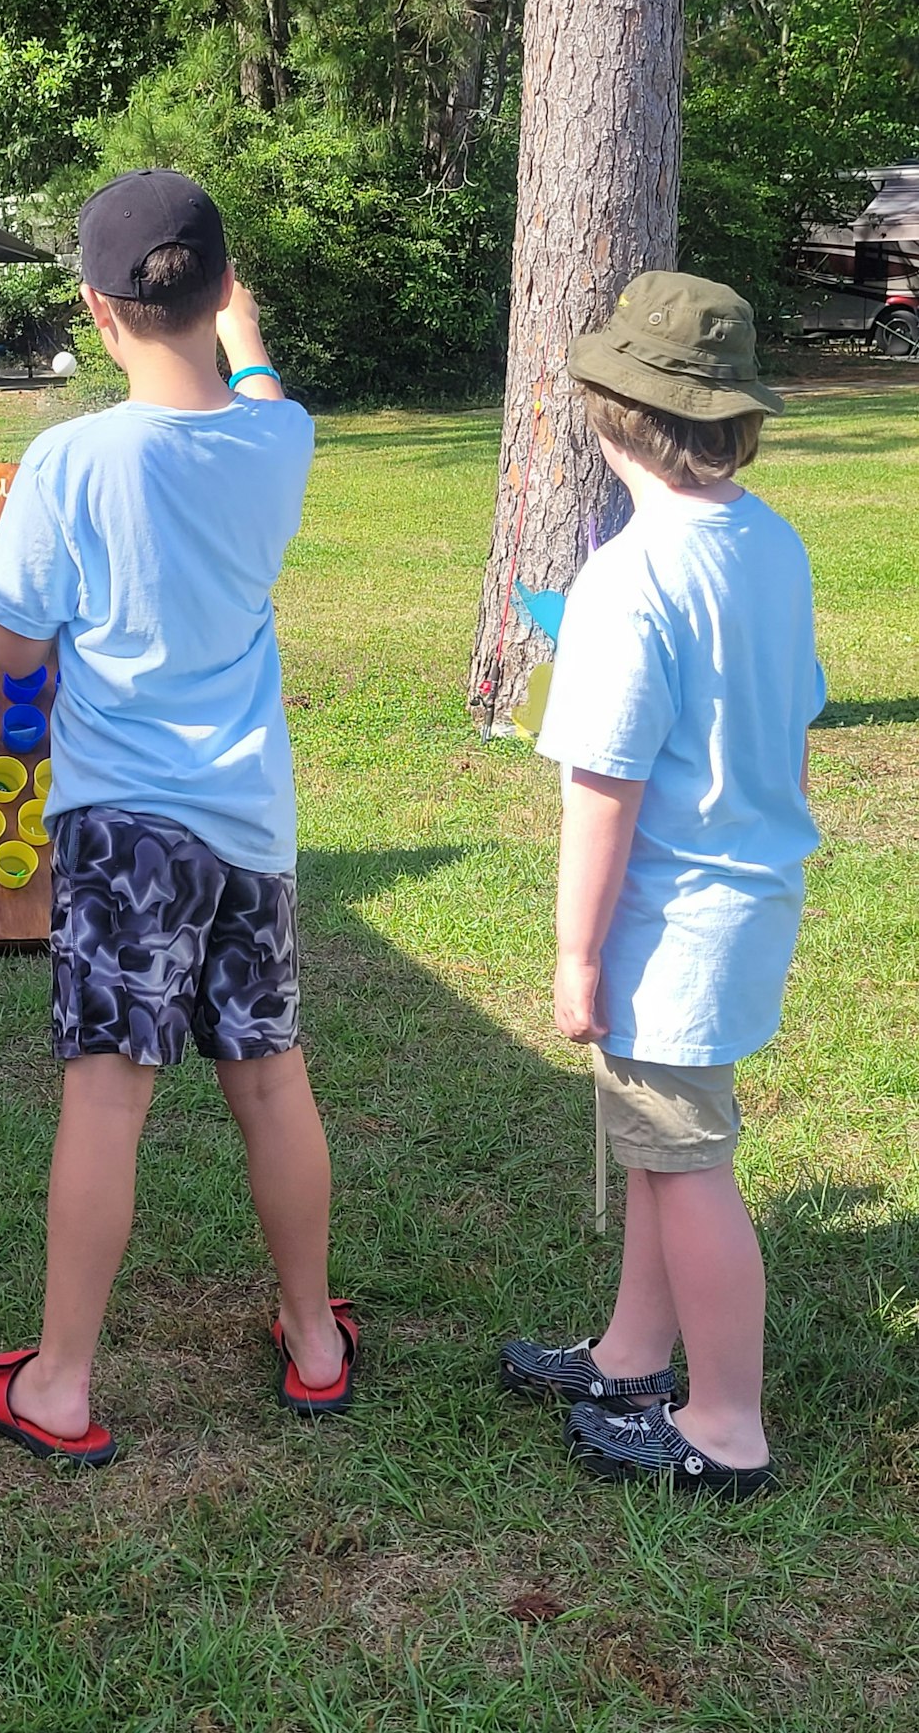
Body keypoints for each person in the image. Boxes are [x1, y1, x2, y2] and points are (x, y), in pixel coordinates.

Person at [0, 169, 353, 1465]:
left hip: (125, 825)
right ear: (224, 291)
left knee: (109, 1099)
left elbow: (13, 655)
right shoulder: (275, 443)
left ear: (94, 308)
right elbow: (264, 384)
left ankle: (61, 1383)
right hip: (249, 822)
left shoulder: (70, 458)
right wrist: (245, 331)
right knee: (271, 1081)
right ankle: (313, 1338)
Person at [500, 272, 824, 1497]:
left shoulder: (626, 580)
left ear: (607, 414)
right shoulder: (771, 539)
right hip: (745, 897)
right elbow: (793, 723)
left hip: (671, 925)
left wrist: (579, 954)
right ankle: (637, 1353)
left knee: (688, 1163)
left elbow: (605, 787)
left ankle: (726, 1423)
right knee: (658, 1138)